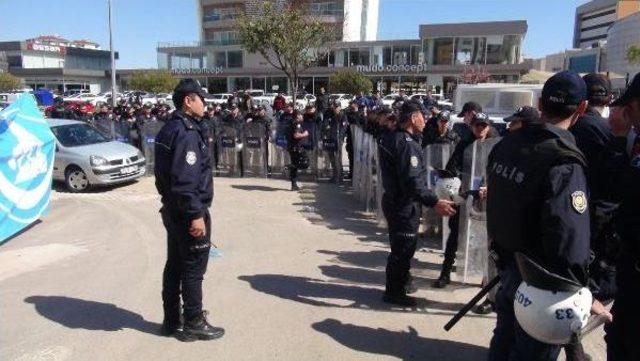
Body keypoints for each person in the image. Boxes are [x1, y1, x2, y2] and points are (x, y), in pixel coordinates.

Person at [486, 71, 608, 361]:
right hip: (543, 288)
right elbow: (568, 238)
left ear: (540, 104)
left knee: (502, 343)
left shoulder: (506, 144)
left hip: (508, 268)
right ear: (581, 108)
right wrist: (583, 293)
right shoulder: (563, 161)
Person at [154, 78, 224, 341]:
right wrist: (196, 215)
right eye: (201, 98)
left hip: (172, 209)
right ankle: (194, 320)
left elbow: (164, 178)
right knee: (193, 268)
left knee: (174, 265)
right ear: (188, 100)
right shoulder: (185, 132)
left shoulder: (169, 128)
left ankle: (172, 320)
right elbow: (184, 181)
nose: (204, 103)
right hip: (187, 212)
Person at [378, 100, 457, 306]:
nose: (426, 120)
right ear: (414, 118)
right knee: (403, 249)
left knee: (401, 246)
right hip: (403, 204)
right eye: (423, 116)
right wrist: (434, 202)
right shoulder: (406, 144)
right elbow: (413, 182)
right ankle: (394, 292)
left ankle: (401, 283)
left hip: (396, 202)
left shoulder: (394, 138)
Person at [569, 74, 621, 304]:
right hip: (600, 217)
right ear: (609, 99)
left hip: (568, 213)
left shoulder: (566, 125)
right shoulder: (611, 132)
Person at [432, 112, 497, 290]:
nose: (480, 128)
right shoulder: (464, 144)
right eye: (477, 125)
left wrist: (489, 186)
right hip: (465, 194)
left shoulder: (496, 145)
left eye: (484, 125)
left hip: (486, 198)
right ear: (472, 126)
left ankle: (487, 279)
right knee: (455, 235)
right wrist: (457, 183)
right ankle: (445, 273)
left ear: (489, 126)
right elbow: (452, 167)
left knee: (488, 240)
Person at [604, 72, 640, 361]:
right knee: (617, 338)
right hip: (629, 269)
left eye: (631, 106)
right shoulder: (634, 142)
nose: (626, 113)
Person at [287, 110, 309, 191]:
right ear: (298, 116)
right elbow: (296, 135)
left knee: (294, 167)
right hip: (297, 148)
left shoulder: (291, 123)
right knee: (306, 163)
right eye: (301, 115)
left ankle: (294, 185)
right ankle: (291, 166)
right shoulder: (297, 124)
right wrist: (305, 134)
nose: (302, 117)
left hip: (292, 147)